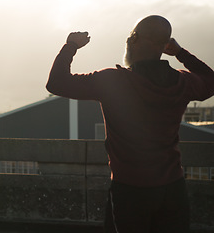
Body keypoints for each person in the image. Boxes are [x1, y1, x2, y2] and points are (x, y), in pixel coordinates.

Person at [46, 15, 214, 233]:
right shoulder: (183, 82)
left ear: (133, 40)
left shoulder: (114, 81)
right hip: (173, 189)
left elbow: (56, 83)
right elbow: (210, 82)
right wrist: (180, 53)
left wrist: (71, 46)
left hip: (130, 190)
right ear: (164, 46)